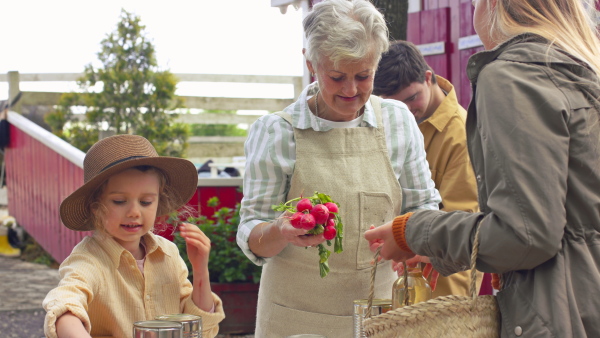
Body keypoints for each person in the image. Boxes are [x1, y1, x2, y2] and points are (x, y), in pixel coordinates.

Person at [365, 0, 600, 336]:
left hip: (556, 313)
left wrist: (413, 231)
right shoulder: (579, 70)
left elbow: (525, 235)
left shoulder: (512, 76)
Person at [237, 0, 441, 336]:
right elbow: (251, 233)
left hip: (381, 316)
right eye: (336, 76)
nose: (351, 90)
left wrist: (418, 240)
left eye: (364, 76)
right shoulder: (277, 131)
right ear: (311, 63)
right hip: (295, 319)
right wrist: (279, 231)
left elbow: (424, 207)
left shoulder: (398, 121)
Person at [43, 134, 225, 338]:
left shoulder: (168, 253)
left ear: (159, 201)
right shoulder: (89, 259)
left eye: (146, 202)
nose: (134, 212)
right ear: (95, 206)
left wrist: (200, 270)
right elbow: (65, 305)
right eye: (119, 201)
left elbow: (199, 328)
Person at [373, 40, 482, 298]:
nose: (407, 111)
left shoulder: (461, 135)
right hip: (399, 275)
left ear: (429, 77)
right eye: (395, 106)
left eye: (412, 98)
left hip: (444, 283)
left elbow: (462, 220)